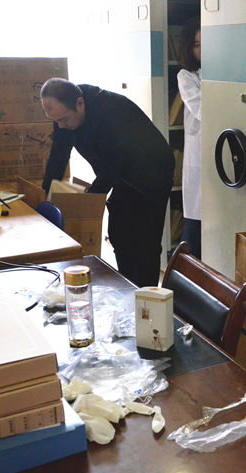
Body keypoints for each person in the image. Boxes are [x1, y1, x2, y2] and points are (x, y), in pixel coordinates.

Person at [40, 78, 174, 287]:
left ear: (80, 103)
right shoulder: (64, 113)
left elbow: (113, 166)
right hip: (121, 174)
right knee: (119, 234)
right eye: (55, 121)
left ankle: (145, 294)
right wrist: (45, 193)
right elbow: (58, 155)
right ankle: (127, 286)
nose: (61, 126)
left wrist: (89, 201)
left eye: (64, 120)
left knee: (144, 241)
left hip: (151, 174)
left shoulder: (111, 110)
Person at [176, 17, 202, 258]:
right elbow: (203, 109)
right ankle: (184, 272)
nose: (202, 50)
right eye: (196, 45)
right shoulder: (186, 76)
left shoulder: (226, 73)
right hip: (200, 155)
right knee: (195, 225)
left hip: (222, 153)